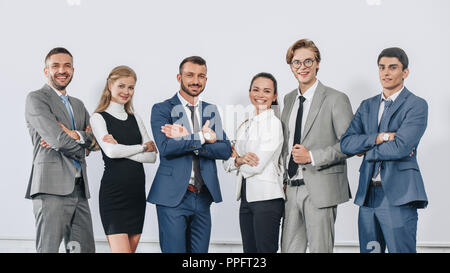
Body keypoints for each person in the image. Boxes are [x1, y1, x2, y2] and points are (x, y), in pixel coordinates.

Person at [340, 47, 428, 253]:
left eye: (392, 67)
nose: (386, 72)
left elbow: (401, 147)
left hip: (399, 194)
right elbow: (346, 144)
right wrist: (381, 138)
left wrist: (366, 150)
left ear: (405, 72)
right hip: (368, 193)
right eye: (382, 67)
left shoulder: (416, 105)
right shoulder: (367, 105)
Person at [148, 56, 232, 253]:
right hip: (172, 197)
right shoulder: (162, 109)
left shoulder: (210, 111)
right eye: (190, 75)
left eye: (201, 76)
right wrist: (202, 136)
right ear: (179, 77)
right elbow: (167, 148)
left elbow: (225, 149)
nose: (196, 80)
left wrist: (189, 139)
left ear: (206, 79)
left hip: (202, 197)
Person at [280, 39, 354, 253]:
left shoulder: (335, 98)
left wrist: (312, 156)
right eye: (296, 62)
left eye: (308, 61)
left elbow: (348, 145)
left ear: (318, 63)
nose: (302, 67)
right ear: (291, 66)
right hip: (290, 189)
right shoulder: (288, 99)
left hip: (320, 189)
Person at [25, 47, 95, 253]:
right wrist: (83, 145)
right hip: (50, 188)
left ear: (73, 70)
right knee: (48, 249)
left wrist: (78, 135)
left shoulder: (78, 105)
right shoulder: (37, 98)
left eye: (67, 66)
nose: (62, 70)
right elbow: (57, 140)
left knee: (83, 250)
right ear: (46, 71)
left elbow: (96, 141)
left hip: (79, 189)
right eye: (55, 65)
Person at [90, 65, 157, 253]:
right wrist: (142, 147)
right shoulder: (98, 118)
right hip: (114, 196)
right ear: (110, 85)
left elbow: (152, 157)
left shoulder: (135, 117)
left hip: (136, 194)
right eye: (121, 86)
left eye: (131, 87)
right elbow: (111, 153)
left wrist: (122, 148)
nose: (126, 92)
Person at [223, 72, 284, 253]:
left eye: (267, 91)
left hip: (267, 198)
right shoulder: (245, 125)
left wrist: (237, 160)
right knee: (249, 252)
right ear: (249, 92)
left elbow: (256, 165)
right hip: (246, 197)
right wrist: (239, 160)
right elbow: (226, 163)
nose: (260, 95)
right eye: (256, 90)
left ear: (274, 96)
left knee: (265, 251)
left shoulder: (273, 124)